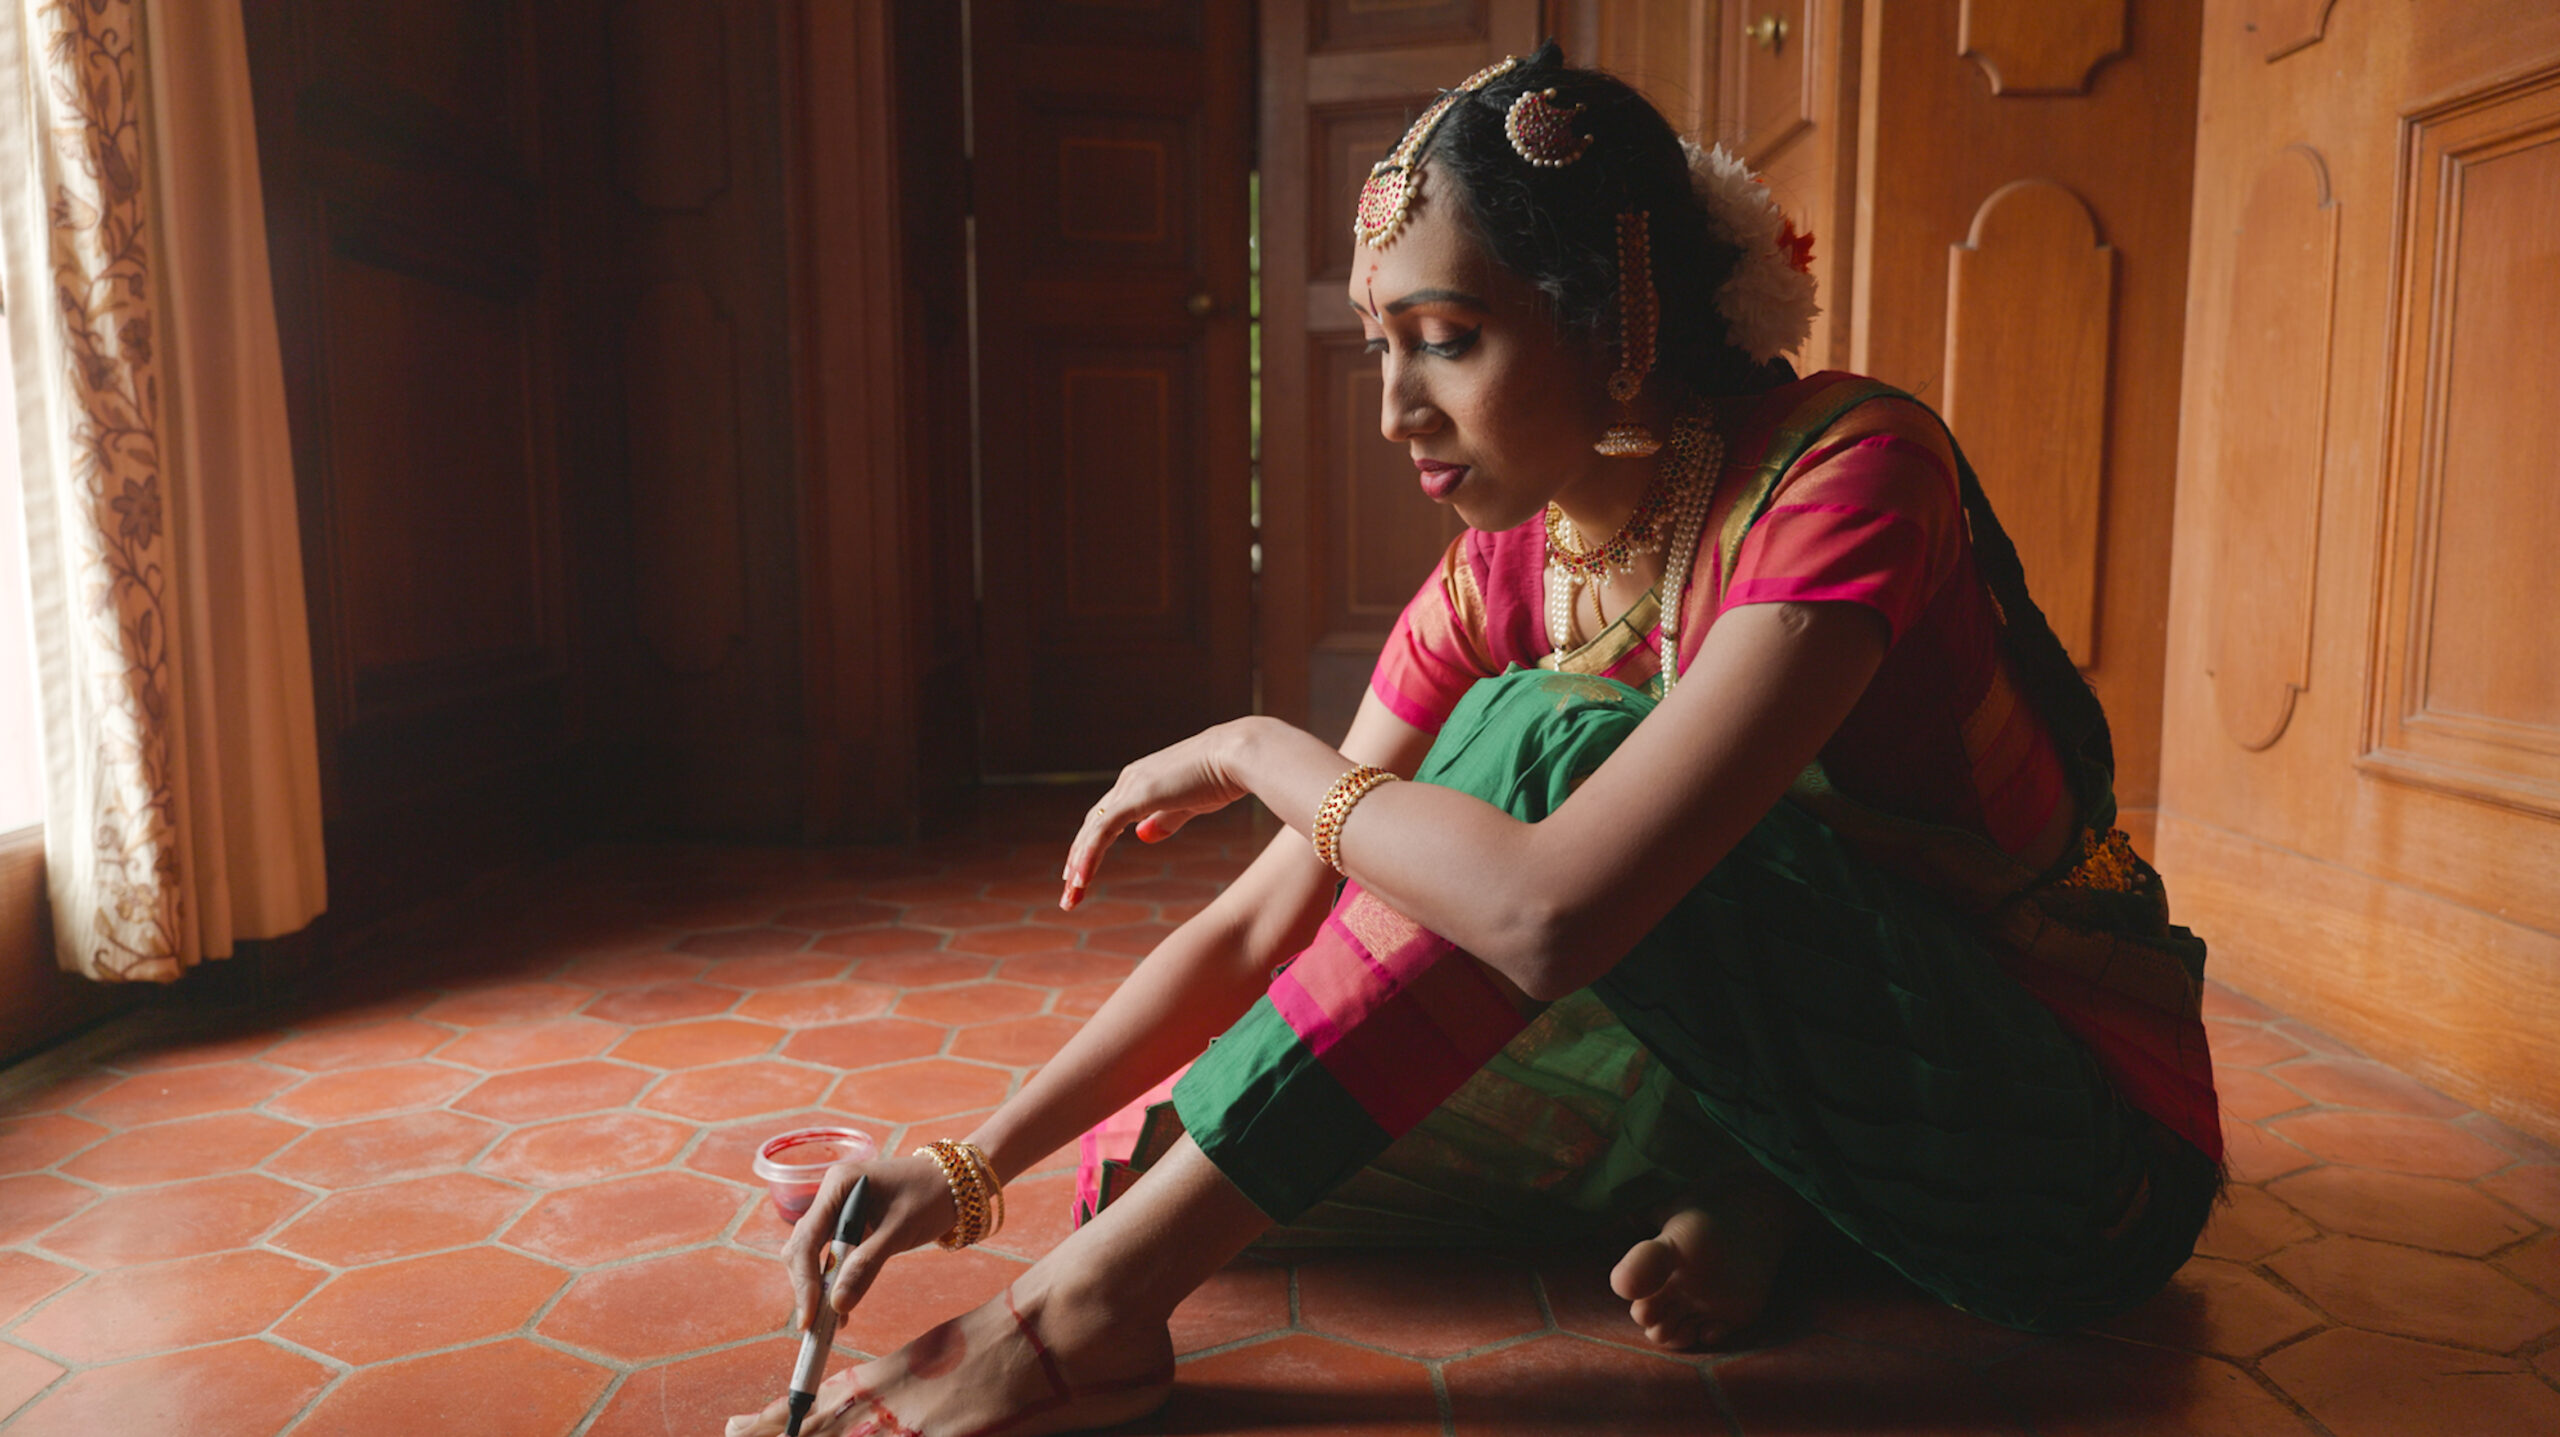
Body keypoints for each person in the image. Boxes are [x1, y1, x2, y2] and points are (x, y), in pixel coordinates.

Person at [727, 44, 2223, 1437]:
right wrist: (978, 1159)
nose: (1396, 408)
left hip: (2060, 1146)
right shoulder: (1510, 565)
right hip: (1798, 1041)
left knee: (1534, 761)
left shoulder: (1848, 470)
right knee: (1175, 1143)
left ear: (1617, 319)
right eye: (1384, 344)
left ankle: (1085, 1316)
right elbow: (1270, 917)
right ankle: (1757, 1184)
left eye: (1444, 340)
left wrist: (1262, 746)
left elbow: (1547, 906)